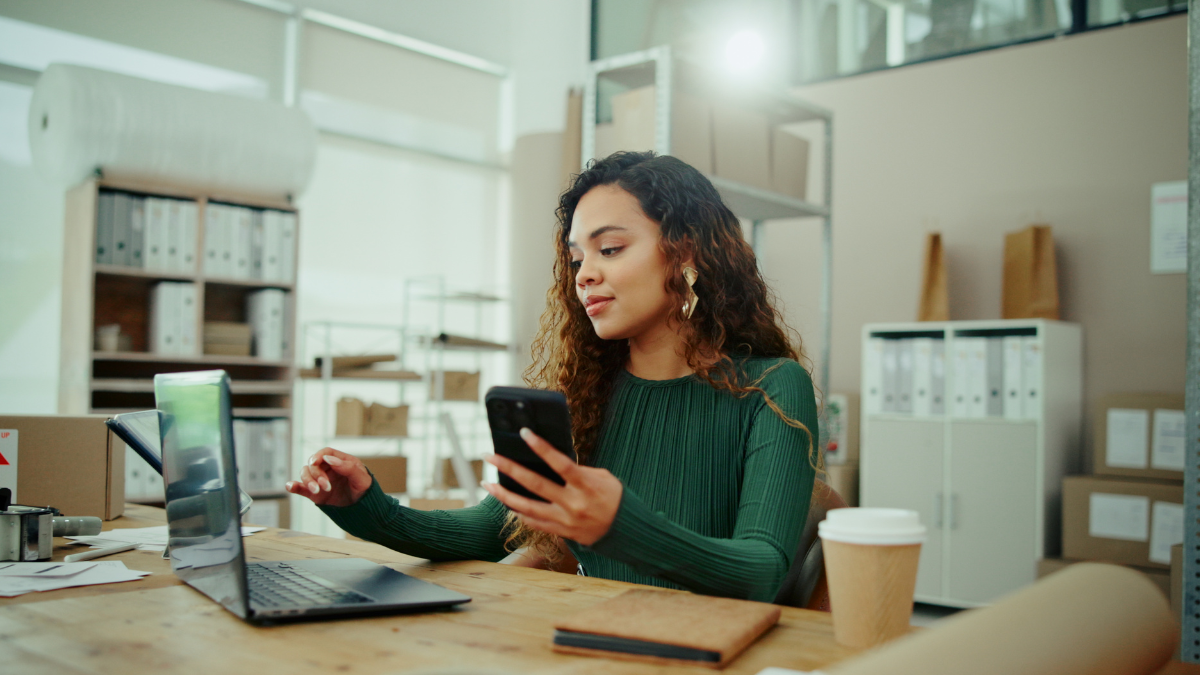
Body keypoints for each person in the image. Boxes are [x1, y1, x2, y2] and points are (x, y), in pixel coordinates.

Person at [286, 151, 818, 602]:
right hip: (594, 648)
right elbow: (488, 531)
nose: (585, 273)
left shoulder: (772, 386)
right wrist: (366, 507)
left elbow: (760, 571)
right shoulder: (585, 393)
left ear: (685, 253)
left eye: (610, 249)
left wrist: (620, 524)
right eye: (576, 256)